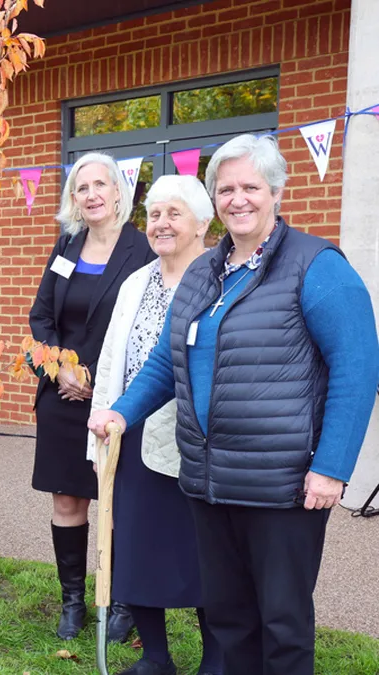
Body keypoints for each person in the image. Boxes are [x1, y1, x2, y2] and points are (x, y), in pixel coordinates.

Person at [89, 134, 379, 675]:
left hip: (282, 484)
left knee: (282, 624)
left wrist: (332, 468)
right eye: (226, 189)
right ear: (214, 198)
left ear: (275, 191)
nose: (238, 199)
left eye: (251, 186)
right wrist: (121, 411)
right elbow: (166, 360)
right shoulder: (205, 271)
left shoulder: (316, 265)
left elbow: (357, 369)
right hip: (209, 482)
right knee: (228, 619)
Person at [85, 175, 223, 675]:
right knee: (138, 548)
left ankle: (218, 657)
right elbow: (111, 363)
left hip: (201, 438)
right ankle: (156, 658)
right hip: (134, 433)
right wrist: (103, 423)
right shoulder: (135, 281)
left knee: (208, 554)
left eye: (174, 214)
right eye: (155, 214)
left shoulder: (220, 279)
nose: (161, 224)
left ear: (203, 224)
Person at [29, 151, 155, 642]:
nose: (92, 194)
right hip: (63, 395)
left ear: (119, 191)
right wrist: (61, 367)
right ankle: (73, 603)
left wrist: (99, 379)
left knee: (119, 501)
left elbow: (148, 324)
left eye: (101, 184)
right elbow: (41, 316)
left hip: (122, 397)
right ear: (73, 198)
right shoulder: (66, 246)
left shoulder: (142, 250)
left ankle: (122, 601)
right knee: (68, 499)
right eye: (82, 187)